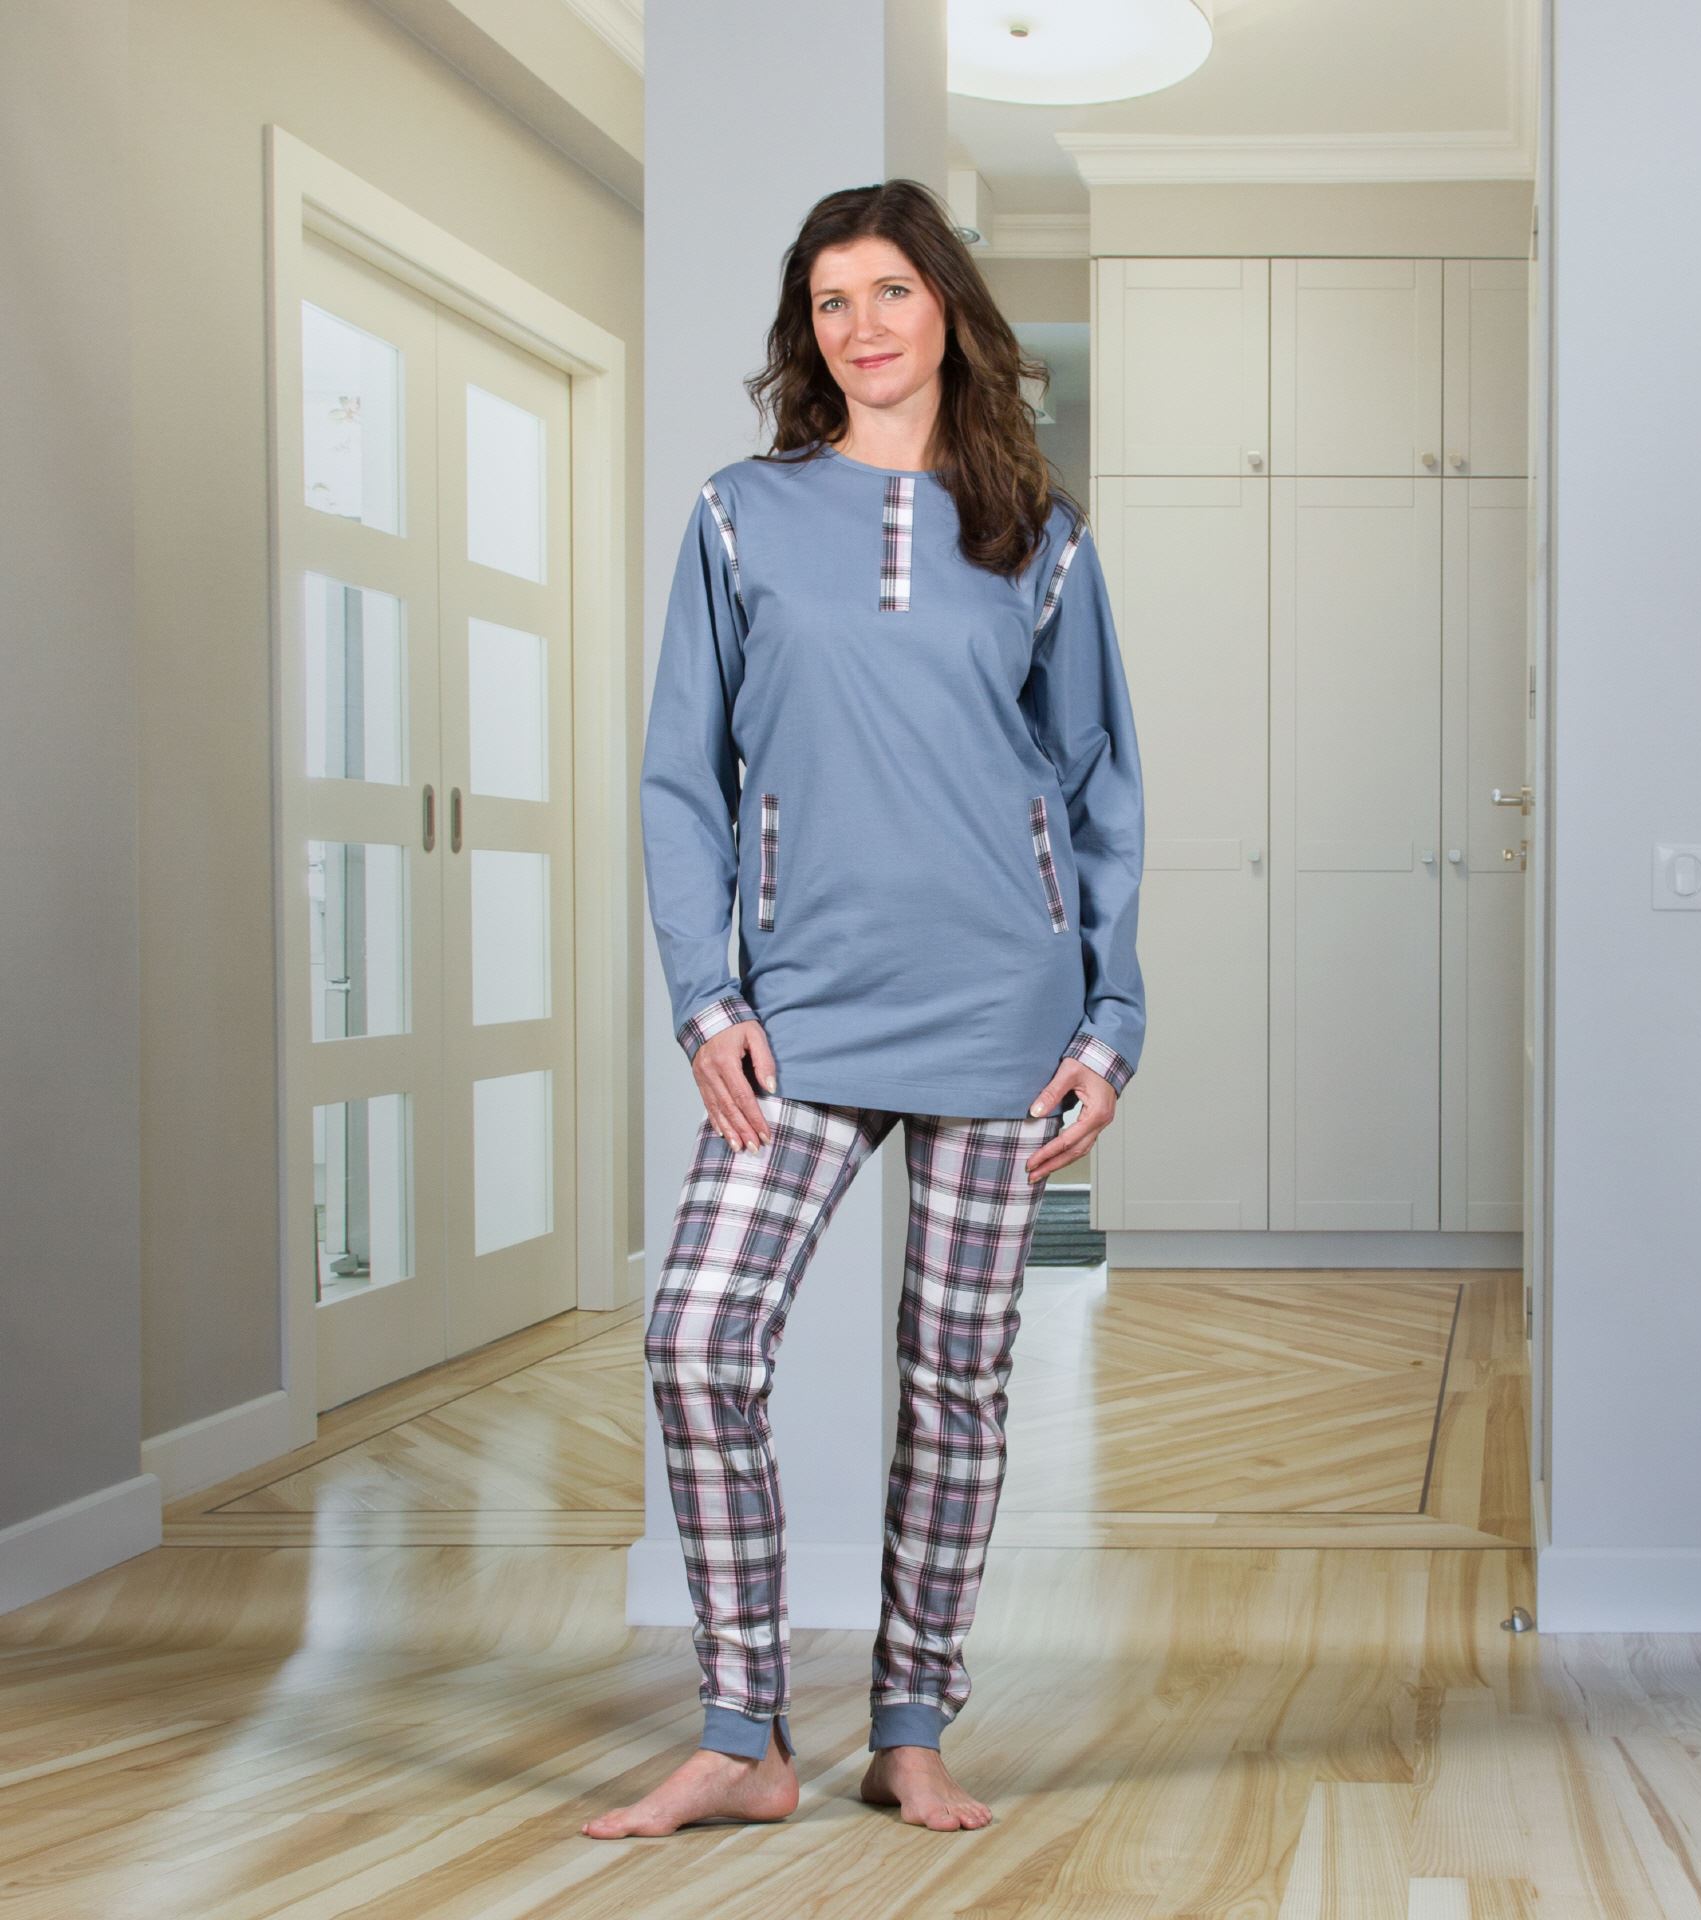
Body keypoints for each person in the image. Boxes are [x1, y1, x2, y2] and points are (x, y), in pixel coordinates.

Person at [584, 177, 1146, 1841]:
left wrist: (1110, 1016)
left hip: (1002, 1014)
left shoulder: (1040, 536)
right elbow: (679, 779)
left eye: (890, 290)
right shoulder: (739, 516)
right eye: (831, 301)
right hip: (803, 1012)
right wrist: (706, 998)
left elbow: (1101, 787)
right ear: (806, 329)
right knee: (699, 1334)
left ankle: (911, 1727)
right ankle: (744, 1730)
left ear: (947, 309)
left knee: (956, 1382)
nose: (861, 326)